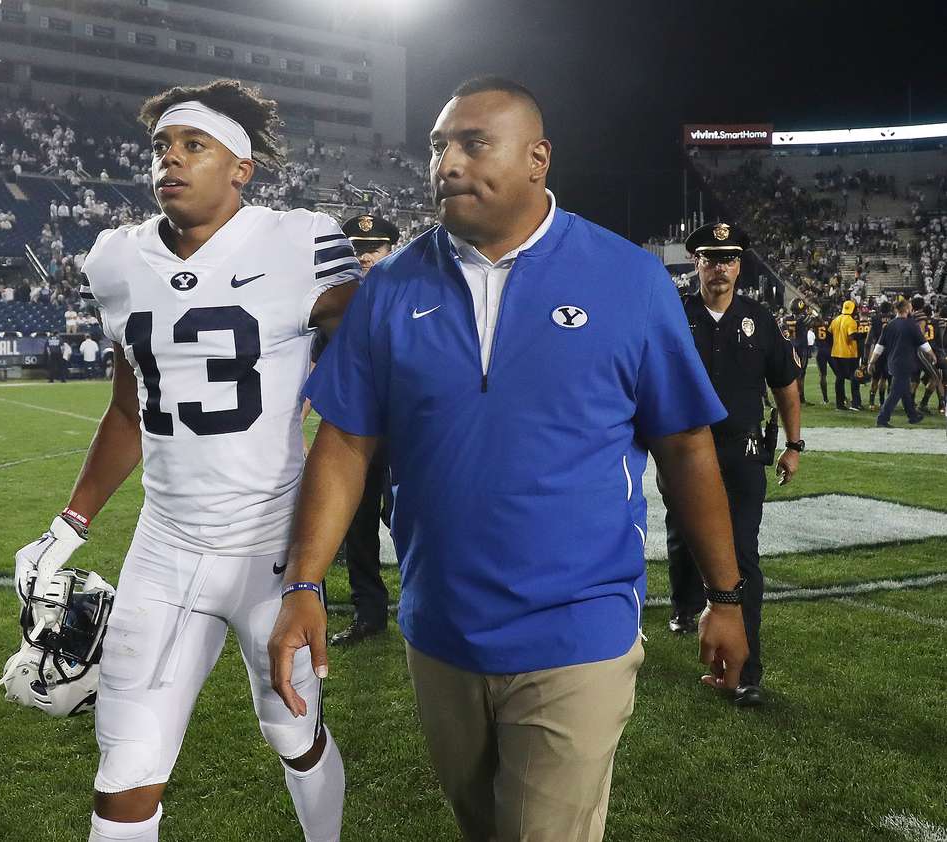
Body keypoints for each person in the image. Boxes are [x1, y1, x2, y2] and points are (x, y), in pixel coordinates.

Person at [268, 76, 748, 842]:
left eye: (471, 143)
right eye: (437, 147)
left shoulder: (627, 279)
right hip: (441, 629)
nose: (447, 163)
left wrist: (725, 596)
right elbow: (346, 440)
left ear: (537, 158)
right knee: (484, 824)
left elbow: (686, 445)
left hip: (577, 631)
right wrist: (303, 581)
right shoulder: (389, 287)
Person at [12, 80, 358, 842]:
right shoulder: (116, 259)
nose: (170, 160)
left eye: (192, 146)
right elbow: (127, 411)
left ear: (242, 167)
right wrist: (68, 525)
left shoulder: (298, 241)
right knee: (125, 771)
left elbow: (380, 353)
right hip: (163, 550)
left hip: (271, 547)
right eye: (161, 148)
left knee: (292, 733)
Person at [661, 221, 802, 708]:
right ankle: (684, 606)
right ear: (695, 261)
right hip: (685, 453)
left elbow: (785, 385)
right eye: (710, 258)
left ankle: (747, 672)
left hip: (741, 454)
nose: (719, 267)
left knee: (743, 557)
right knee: (681, 536)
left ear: (739, 265)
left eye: (729, 259)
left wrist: (794, 444)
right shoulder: (675, 316)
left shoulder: (760, 320)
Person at [330, 213, 400, 647]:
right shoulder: (336, 304)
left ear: (392, 248)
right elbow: (316, 362)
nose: (366, 257)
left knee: (409, 519)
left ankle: (430, 605)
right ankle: (368, 613)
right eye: (356, 249)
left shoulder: (416, 294)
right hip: (353, 433)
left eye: (373, 248)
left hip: (402, 432)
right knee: (356, 528)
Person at [869, 297, 934, 427]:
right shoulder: (911, 324)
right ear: (906, 309)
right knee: (895, 393)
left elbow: (879, 346)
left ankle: (913, 416)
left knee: (904, 391)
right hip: (905, 363)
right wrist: (932, 354)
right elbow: (923, 343)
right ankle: (882, 419)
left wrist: (871, 362)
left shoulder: (889, 325)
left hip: (892, 362)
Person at [828, 299, 863, 410]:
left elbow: (829, 334)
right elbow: (851, 336)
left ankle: (840, 403)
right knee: (854, 378)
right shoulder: (851, 321)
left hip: (836, 352)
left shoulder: (835, 320)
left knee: (839, 379)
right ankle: (855, 403)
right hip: (849, 353)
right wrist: (863, 335)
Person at [865, 300, 894, 410]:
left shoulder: (875, 318)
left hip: (878, 350)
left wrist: (866, 358)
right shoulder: (894, 318)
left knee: (875, 378)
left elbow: (869, 339)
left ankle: (871, 403)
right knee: (885, 379)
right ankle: (883, 403)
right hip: (890, 351)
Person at [812, 313, 832, 404]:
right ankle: (842, 397)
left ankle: (825, 399)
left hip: (820, 349)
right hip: (830, 349)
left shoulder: (815, 320)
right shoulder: (830, 319)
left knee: (822, 375)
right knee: (839, 374)